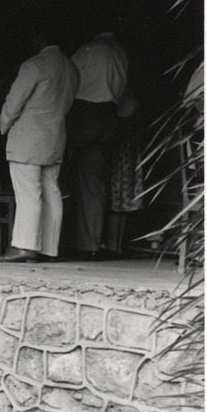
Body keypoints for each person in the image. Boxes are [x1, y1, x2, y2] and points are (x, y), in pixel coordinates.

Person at [0, 36, 79, 263]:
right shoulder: (71, 68)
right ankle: (49, 249)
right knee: (51, 191)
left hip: (28, 138)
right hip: (54, 136)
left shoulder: (34, 65)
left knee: (28, 193)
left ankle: (25, 246)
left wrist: (3, 126)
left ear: (40, 39)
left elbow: (14, 102)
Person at [65, 32, 130, 260]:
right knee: (93, 183)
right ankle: (89, 243)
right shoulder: (121, 52)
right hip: (109, 117)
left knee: (48, 166)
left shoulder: (89, 48)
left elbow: (67, 76)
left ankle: (54, 240)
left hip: (84, 114)